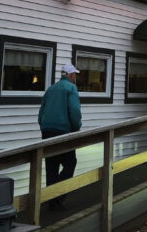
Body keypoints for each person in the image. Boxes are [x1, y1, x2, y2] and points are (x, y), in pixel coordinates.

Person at [38, 64, 82, 210]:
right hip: (62, 131)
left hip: (47, 130)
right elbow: (74, 110)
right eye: (74, 74)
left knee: (51, 166)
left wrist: (43, 125)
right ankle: (58, 195)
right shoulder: (71, 88)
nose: (75, 77)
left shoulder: (51, 89)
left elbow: (41, 111)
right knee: (70, 163)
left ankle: (52, 201)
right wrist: (76, 126)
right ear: (70, 75)